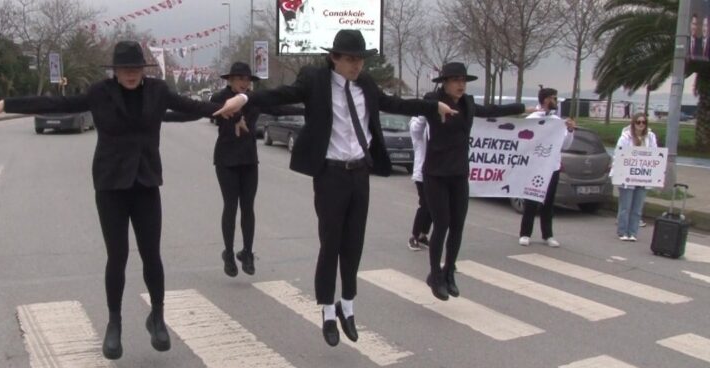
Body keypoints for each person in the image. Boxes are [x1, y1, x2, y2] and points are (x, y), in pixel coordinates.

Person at [0, 41, 228, 360]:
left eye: (136, 69)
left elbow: (193, 107)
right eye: (125, 69)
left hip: (146, 182)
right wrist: (8, 103)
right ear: (115, 71)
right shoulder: (99, 93)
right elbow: (59, 104)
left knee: (152, 255)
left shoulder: (158, 91)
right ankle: (114, 323)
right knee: (118, 256)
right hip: (110, 185)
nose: (131, 74)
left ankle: (158, 317)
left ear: (143, 70)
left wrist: (230, 106)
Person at [214, 29, 456, 346]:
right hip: (330, 175)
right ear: (335, 58)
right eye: (351, 59)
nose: (357, 66)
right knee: (331, 243)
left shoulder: (366, 84)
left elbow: (393, 103)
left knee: (354, 244)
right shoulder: (315, 80)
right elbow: (280, 95)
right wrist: (244, 98)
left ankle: (348, 305)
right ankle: (328, 311)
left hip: (359, 173)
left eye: (361, 60)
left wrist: (433, 106)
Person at [422, 62, 528, 301]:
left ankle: (449, 272)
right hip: (436, 173)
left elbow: (489, 111)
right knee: (442, 224)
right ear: (445, 82)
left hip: (459, 172)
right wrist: (434, 105)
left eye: (464, 80)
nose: (461, 84)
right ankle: (435, 275)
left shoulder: (468, 103)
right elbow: (422, 106)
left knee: (458, 224)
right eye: (456, 80)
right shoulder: (433, 100)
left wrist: (521, 107)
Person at [210, 62, 301, 277]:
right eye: (239, 78)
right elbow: (214, 112)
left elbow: (279, 108)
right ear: (230, 80)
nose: (243, 82)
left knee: (248, 207)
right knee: (231, 206)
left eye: (247, 79)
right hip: (226, 159)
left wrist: (308, 109)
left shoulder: (254, 100)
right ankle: (229, 254)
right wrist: (236, 116)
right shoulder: (220, 97)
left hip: (249, 159)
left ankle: (248, 252)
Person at [518, 87, 575, 248]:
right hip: (535, 167)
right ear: (545, 100)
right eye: (554, 98)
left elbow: (566, 145)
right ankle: (525, 233)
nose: (556, 101)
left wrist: (570, 131)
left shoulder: (557, 122)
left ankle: (547, 234)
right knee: (531, 200)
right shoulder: (532, 119)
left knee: (548, 202)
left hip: (552, 167)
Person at [613, 112, 657, 241]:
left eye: (643, 122)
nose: (641, 125)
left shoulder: (650, 137)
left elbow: (654, 153)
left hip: (642, 176)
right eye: (638, 122)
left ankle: (633, 232)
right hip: (627, 177)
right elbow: (619, 154)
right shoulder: (625, 137)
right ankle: (622, 232)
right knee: (625, 206)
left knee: (637, 208)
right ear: (633, 123)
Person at [407, 115, 431, 251]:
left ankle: (423, 235)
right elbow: (417, 129)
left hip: (434, 171)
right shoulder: (415, 124)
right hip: (421, 173)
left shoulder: (432, 124)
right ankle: (414, 236)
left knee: (433, 207)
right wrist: (427, 111)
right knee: (425, 205)